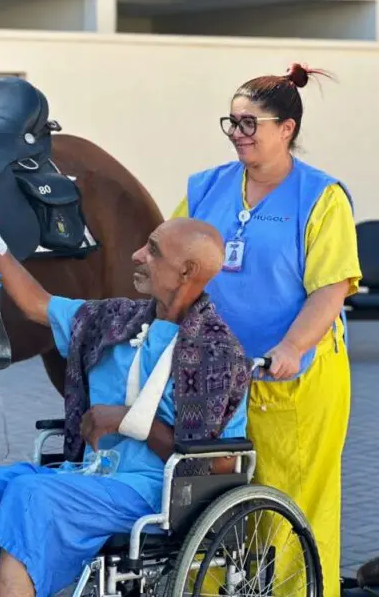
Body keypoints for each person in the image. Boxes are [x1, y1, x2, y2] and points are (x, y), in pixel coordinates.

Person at [0, 171, 251, 597]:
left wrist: (127, 421)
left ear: (187, 271)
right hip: (93, 474)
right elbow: (34, 302)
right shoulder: (115, 320)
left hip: (156, 490)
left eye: (152, 251)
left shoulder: (216, 354)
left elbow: (216, 464)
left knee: (33, 495)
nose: (137, 255)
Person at [172, 63, 362, 597]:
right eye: (231, 123)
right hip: (211, 377)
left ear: (287, 129)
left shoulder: (320, 198)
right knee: (205, 503)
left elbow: (330, 289)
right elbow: (170, 258)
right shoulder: (206, 187)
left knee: (291, 503)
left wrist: (292, 347)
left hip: (291, 381)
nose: (238, 134)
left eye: (250, 123)